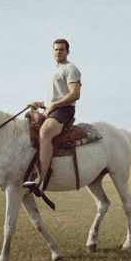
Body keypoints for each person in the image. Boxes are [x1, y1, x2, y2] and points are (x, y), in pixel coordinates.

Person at [23, 39, 82, 194]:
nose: (58, 52)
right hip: (54, 109)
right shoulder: (54, 72)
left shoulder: (71, 69)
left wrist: (54, 105)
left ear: (67, 51)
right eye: (55, 49)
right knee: (28, 128)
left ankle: (40, 181)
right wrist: (39, 103)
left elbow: (75, 94)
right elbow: (51, 101)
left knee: (45, 133)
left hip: (65, 110)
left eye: (61, 49)